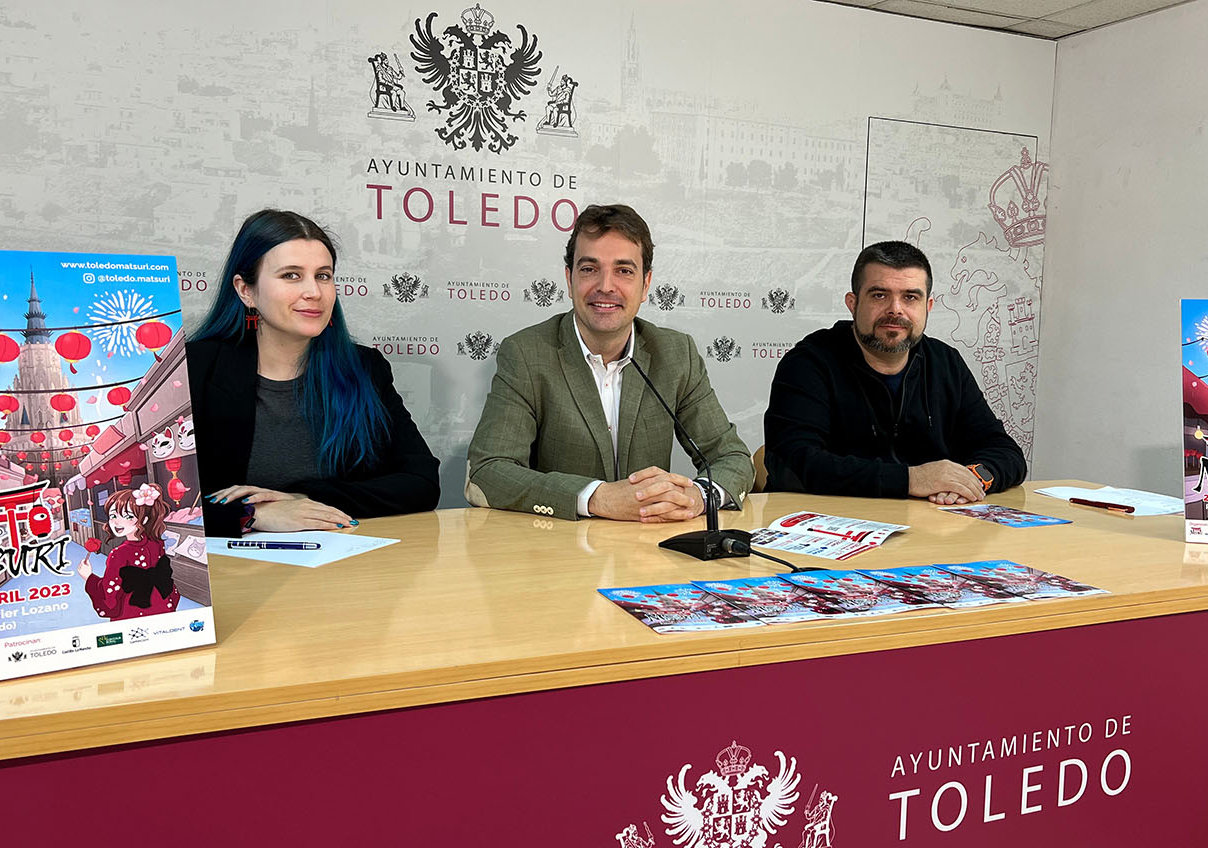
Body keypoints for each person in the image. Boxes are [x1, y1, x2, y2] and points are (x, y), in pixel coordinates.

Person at [466, 203, 752, 521]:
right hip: (558, 552)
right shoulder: (526, 353)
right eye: (589, 269)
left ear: (645, 285)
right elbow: (488, 472)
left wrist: (698, 497)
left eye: (624, 271)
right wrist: (596, 498)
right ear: (569, 278)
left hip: (650, 552)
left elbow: (732, 457)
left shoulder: (675, 353)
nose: (605, 286)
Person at [188, 209, 439, 536]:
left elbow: (421, 482)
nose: (314, 292)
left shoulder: (364, 368)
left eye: (323, 275)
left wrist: (304, 500)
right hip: (227, 576)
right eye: (291, 275)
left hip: (342, 568)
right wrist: (252, 515)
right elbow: (148, 501)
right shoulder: (195, 368)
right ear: (245, 290)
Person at [764, 240, 1025, 503]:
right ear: (853, 303)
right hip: (829, 528)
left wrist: (970, 479)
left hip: (927, 529)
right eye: (879, 295)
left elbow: (1005, 451)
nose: (895, 309)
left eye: (910, 297)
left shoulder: (946, 362)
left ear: (928, 307)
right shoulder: (809, 362)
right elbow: (792, 461)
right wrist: (911, 479)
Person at [78, 483, 179, 620]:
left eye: (128, 516)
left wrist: (89, 577)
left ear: (144, 519)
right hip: (163, 606)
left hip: (132, 613)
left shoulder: (119, 554)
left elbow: (109, 598)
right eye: (113, 516)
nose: (117, 522)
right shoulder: (156, 544)